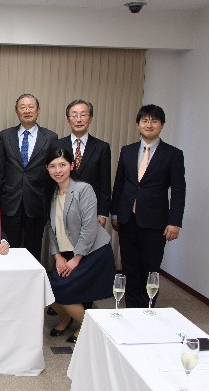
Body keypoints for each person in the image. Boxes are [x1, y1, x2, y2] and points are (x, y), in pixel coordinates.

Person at [111, 104, 186, 308]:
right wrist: (115, 213)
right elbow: (119, 184)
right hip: (127, 219)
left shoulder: (173, 154)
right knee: (129, 268)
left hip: (155, 222)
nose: (149, 124)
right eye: (145, 120)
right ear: (138, 124)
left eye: (154, 121)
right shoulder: (127, 151)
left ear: (162, 125)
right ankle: (131, 309)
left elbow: (178, 191)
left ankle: (148, 311)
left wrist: (174, 222)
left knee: (150, 268)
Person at [46, 148, 115, 343]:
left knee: (63, 289)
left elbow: (89, 227)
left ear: (72, 166)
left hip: (92, 252)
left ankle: (87, 327)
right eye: (53, 166)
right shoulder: (52, 193)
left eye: (62, 165)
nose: (58, 170)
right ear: (47, 169)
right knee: (47, 286)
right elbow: (52, 229)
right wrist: (57, 256)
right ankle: (66, 318)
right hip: (66, 253)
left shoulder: (83, 189)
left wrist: (76, 259)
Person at [0, 94, 58, 261]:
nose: (27, 110)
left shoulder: (51, 137)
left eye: (31, 107)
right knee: (8, 250)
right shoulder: (5, 136)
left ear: (38, 110)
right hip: (11, 202)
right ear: (16, 111)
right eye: (22, 107)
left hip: (37, 203)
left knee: (33, 251)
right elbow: (1, 169)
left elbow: (53, 171)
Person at [53, 100, 111, 227]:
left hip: (90, 208)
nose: (78, 119)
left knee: (87, 245)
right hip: (62, 205)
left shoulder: (102, 147)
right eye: (74, 115)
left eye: (83, 115)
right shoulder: (57, 145)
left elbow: (105, 183)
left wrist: (102, 213)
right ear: (68, 120)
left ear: (90, 119)